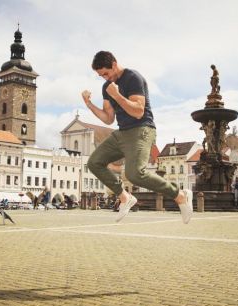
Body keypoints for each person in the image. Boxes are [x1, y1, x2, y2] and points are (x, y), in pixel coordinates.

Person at [81, 51, 192, 223]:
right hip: (121, 132)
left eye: (105, 73)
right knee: (94, 162)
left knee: (134, 174)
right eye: (100, 75)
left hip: (142, 129)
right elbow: (108, 118)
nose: (104, 78)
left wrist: (117, 95)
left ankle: (180, 195)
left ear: (114, 64)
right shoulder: (107, 87)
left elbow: (139, 111)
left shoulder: (133, 78)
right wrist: (89, 104)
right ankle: (124, 197)